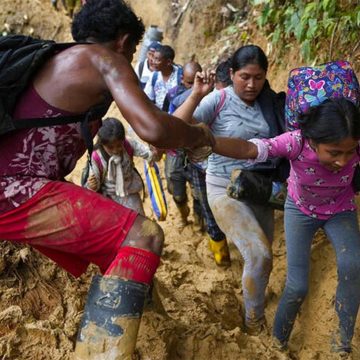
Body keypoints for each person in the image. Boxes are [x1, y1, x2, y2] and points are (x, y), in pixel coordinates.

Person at [0, 0, 214, 358]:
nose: (129, 59)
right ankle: (101, 352)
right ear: (123, 41)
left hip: (19, 185)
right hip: (14, 188)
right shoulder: (104, 59)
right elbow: (153, 129)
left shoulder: (61, 58)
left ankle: (146, 324)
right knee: (144, 235)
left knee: (118, 247)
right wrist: (200, 137)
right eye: (131, 51)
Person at [212, 98, 360, 357]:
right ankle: (278, 341)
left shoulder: (352, 145)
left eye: (350, 152)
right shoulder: (296, 142)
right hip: (300, 211)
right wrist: (210, 142)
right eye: (334, 152)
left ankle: (342, 342)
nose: (342, 161)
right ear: (313, 140)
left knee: (353, 267)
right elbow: (250, 149)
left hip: (340, 210)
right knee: (297, 285)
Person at [173, 45, 287, 333]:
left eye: (258, 77)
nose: (251, 84)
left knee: (264, 255)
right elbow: (174, 128)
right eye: (244, 76)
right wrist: (197, 93)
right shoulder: (218, 100)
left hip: (260, 188)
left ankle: (255, 296)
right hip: (224, 188)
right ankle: (254, 321)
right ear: (232, 74)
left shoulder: (270, 103)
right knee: (259, 255)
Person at [85, 117, 159, 215]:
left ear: (123, 140)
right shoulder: (96, 157)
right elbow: (94, 183)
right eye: (110, 147)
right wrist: (92, 185)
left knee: (138, 219)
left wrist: (151, 156)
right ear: (102, 144)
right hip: (109, 196)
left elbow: (145, 152)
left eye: (119, 145)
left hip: (130, 191)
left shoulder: (128, 144)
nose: (115, 150)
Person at [162, 61, 203, 229]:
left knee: (199, 193)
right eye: (188, 82)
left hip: (198, 152)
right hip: (175, 153)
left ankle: (200, 219)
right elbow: (163, 120)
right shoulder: (172, 96)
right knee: (176, 192)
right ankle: (183, 214)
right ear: (181, 80)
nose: (192, 87)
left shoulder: (208, 94)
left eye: (195, 81)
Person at [144, 45, 182, 109]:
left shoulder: (180, 76)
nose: (153, 61)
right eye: (153, 57)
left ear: (168, 62)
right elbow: (147, 98)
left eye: (157, 59)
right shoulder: (154, 76)